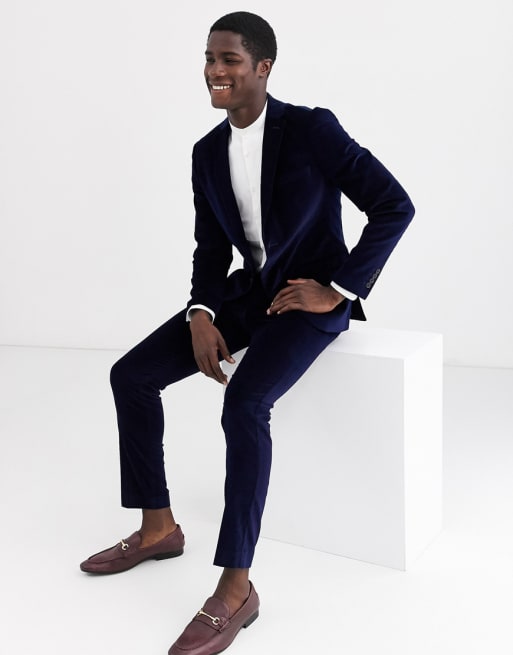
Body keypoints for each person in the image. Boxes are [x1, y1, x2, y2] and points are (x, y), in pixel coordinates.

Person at [80, 10, 415, 655]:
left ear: (263, 67)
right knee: (132, 375)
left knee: (244, 403)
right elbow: (211, 250)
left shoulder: (311, 130)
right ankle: (158, 527)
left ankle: (236, 586)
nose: (214, 70)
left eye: (229, 59)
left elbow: (393, 204)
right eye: (209, 58)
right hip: (248, 294)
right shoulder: (207, 152)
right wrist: (201, 313)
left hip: (307, 302)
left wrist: (337, 289)